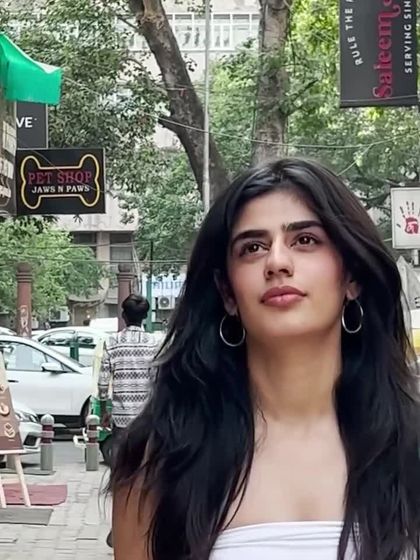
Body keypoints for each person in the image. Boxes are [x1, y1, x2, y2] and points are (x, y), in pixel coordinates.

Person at [110, 158, 420, 560]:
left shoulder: (408, 445)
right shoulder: (160, 458)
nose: (277, 262)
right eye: (252, 248)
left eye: (305, 240)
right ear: (227, 292)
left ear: (352, 277)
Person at [98, 294, 157, 547]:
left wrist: (105, 408)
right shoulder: (154, 343)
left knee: (121, 476)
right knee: (147, 474)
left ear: (123, 316)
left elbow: (103, 382)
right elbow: (158, 379)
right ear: (145, 317)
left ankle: (118, 527)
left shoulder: (112, 343)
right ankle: (142, 526)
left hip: (121, 420)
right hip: (147, 420)